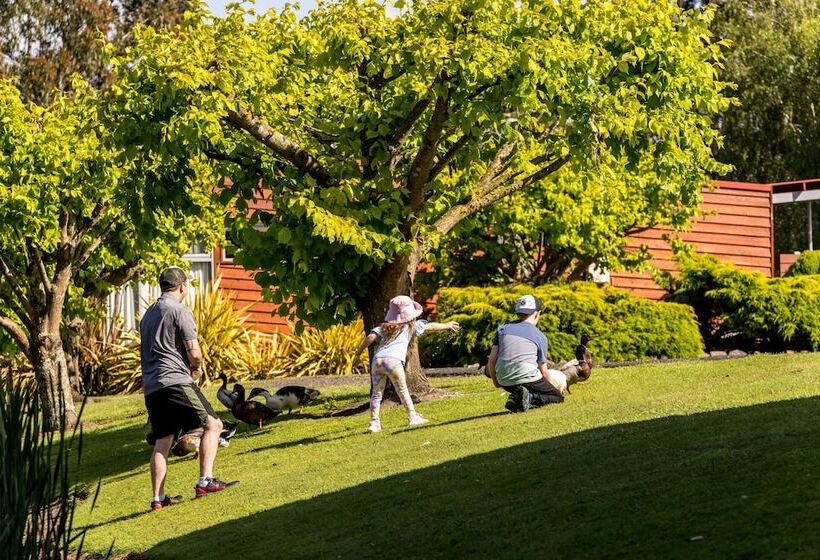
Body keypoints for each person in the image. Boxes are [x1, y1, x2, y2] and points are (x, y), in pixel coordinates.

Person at [140, 267, 238, 512]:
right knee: (213, 424)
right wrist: (196, 368)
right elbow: (193, 351)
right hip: (175, 381)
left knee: (163, 440)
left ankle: (158, 498)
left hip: (152, 387)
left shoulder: (148, 315)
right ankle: (206, 481)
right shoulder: (179, 310)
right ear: (182, 287)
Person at [354, 295, 460, 433]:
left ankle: (374, 423)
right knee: (402, 390)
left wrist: (358, 352)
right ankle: (412, 417)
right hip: (393, 361)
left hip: (378, 361)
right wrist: (447, 325)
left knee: (376, 393)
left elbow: (370, 337)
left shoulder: (384, 327)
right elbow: (430, 326)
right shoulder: (410, 327)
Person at [486, 294, 564, 412]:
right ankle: (531, 398)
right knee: (557, 397)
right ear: (537, 313)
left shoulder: (502, 329)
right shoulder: (540, 336)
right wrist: (553, 388)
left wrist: (496, 382)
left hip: (505, 381)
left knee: (523, 388)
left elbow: (492, 360)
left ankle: (515, 399)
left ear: (517, 313)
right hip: (528, 378)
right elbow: (544, 371)